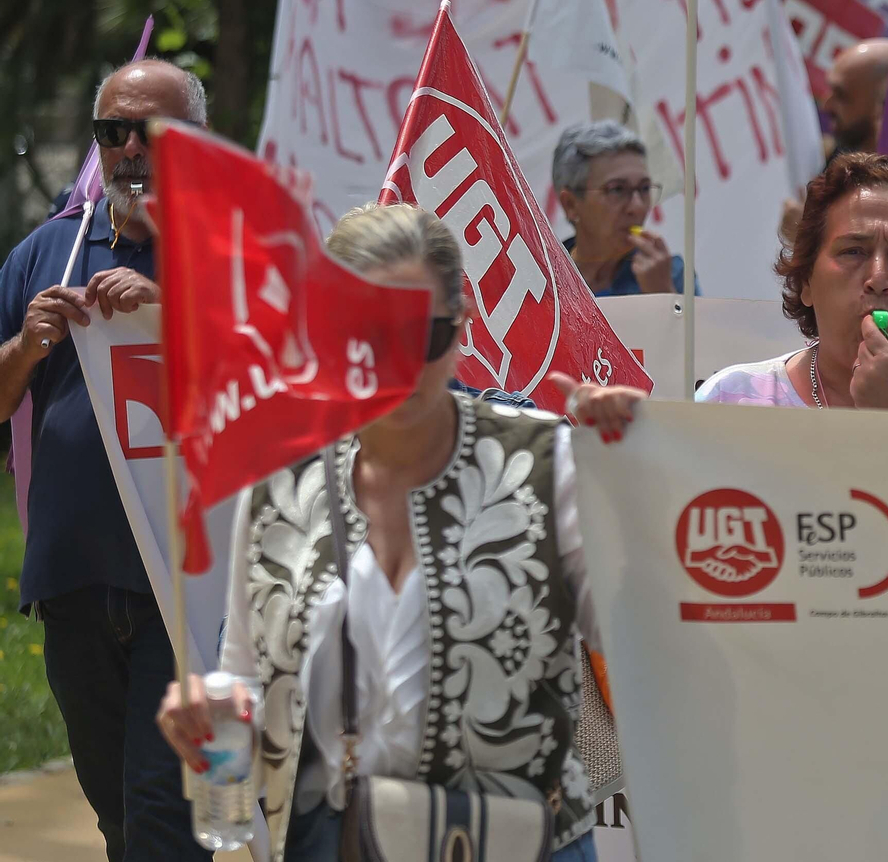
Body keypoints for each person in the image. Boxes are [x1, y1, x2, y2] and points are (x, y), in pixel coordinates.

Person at [156, 204, 600, 862]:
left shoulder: (547, 463)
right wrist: (207, 713)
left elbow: (651, 635)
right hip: (334, 843)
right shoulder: (280, 482)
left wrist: (638, 474)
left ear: (463, 319)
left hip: (521, 846)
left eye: (422, 334)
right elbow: (247, 678)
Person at [0, 59, 210, 862]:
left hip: (190, 586)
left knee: (165, 811)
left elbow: (280, 370)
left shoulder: (231, 248)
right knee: (119, 808)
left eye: (150, 131)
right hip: (75, 579)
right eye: (111, 132)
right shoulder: (48, 253)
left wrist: (170, 307)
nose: (129, 148)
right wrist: (25, 346)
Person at [561, 152, 888, 433]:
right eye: (853, 252)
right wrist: (625, 445)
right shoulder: (733, 399)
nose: (878, 276)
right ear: (806, 283)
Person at [554, 120, 693, 297]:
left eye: (644, 189)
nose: (637, 207)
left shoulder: (671, 276)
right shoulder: (542, 279)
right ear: (571, 204)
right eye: (617, 190)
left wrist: (664, 296)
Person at [781, 39, 888, 243]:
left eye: (841, 95)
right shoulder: (832, 159)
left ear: (885, 106)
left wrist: (809, 239)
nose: (827, 105)